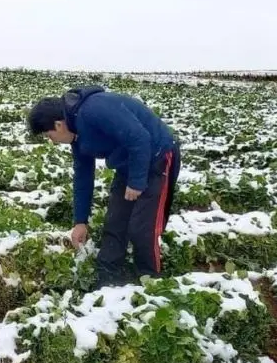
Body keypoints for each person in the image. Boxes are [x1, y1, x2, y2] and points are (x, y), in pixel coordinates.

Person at [28, 86, 181, 289]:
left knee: (142, 229)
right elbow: (83, 177)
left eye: (49, 136)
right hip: (127, 164)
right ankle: (107, 281)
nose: (53, 142)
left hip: (157, 157)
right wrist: (80, 222)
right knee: (115, 222)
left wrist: (136, 182)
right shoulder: (76, 135)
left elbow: (139, 138)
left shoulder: (95, 109)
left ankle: (151, 285)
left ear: (58, 125)